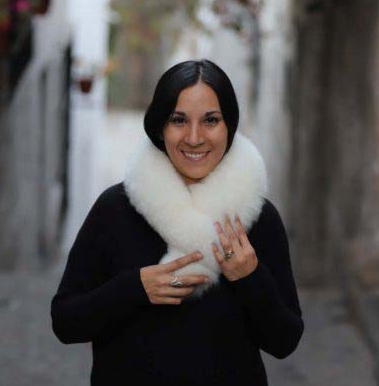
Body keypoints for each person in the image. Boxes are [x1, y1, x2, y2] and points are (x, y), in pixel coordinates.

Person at [50, 59, 304, 385]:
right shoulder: (114, 209)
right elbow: (66, 322)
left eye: (211, 120)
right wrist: (136, 288)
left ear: (229, 126)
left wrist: (250, 279)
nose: (194, 138)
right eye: (178, 120)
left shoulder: (257, 218)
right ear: (160, 128)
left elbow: (284, 341)